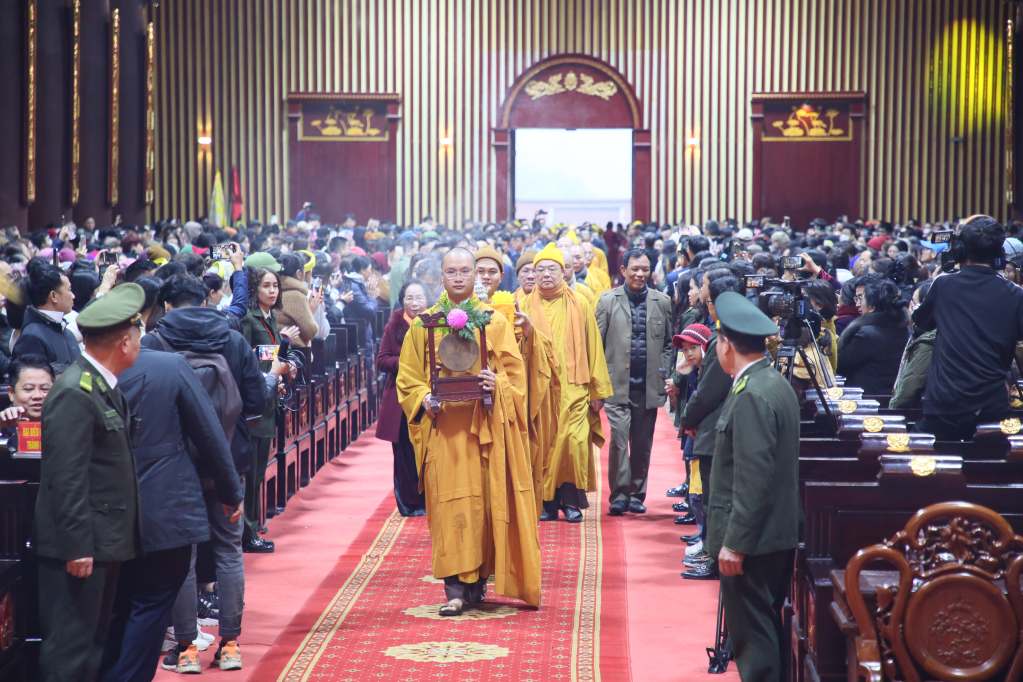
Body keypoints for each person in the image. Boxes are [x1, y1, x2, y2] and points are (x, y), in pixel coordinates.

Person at [396, 248, 540, 615]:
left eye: (465, 271)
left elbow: (516, 377)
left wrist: (497, 383)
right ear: (441, 277)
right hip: (444, 430)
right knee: (449, 505)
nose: (458, 277)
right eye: (451, 272)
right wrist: (425, 398)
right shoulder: (423, 325)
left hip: (484, 430)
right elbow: (408, 378)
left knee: (485, 504)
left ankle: (477, 582)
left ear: (475, 276)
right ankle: (455, 589)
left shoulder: (494, 322)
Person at [101, 343, 244, 682]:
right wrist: (230, 489)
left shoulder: (88, 371)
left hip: (114, 504)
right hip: (171, 494)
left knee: (119, 605)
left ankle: (185, 647)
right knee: (158, 596)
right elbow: (211, 432)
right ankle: (228, 643)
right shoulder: (174, 364)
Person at [35, 284, 146, 682]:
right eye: (137, 335)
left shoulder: (100, 385)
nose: (140, 343)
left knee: (91, 648)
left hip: (103, 540)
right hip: (82, 546)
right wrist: (78, 545)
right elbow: (65, 478)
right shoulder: (75, 391)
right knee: (70, 652)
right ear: (124, 343)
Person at [706, 291, 801, 682]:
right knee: (764, 624)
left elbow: (753, 477)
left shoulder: (752, 394)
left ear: (726, 345)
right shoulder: (771, 381)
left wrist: (735, 543)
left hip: (755, 541)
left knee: (754, 637)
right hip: (772, 533)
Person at [517, 244, 612, 522]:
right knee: (544, 444)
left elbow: (594, 347)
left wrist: (597, 391)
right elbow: (515, 348)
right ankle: (546, 503)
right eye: (540, 270)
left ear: (564, 272)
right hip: (539, 388)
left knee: (573, 442)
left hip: (574, 388)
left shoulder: (579, 303)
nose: (546, 274)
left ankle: (571, 502)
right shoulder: (524, 305)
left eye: (552, 269)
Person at [912, 216, 1023, 438]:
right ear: (999, 255)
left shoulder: (944, 284)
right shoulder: (1015, 294)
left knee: (916, 449)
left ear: (959, 251)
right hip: (992, 403)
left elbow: (921, 323)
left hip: (946, 403)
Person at [595, 249, 673, 515]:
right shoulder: (608, 300)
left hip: (648, 385)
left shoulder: (662, 301)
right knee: (618, 439)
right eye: (635, 269)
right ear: (623, 270)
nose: (640, 274)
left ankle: (637, 494)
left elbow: (668, 344)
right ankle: (619, 495)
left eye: (645, 269)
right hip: (616, 383)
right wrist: (597, 384)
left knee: (642, 443)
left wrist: (663, 372)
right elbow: (597, 344)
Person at [680, 275, 744, 578]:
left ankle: (712, 555)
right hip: (718, 424)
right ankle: (710, 549)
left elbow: (706, 394)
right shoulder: (733, 333)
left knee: (714, 499)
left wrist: (687, 421)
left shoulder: (726, 339)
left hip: (715, 427)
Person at [238, 264, 300, 552]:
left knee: (259, 472)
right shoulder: (248, 319)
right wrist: (272, 373)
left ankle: (252, 527)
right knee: (251, 473)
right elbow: (245, 361)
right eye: (266, 285)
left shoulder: (271, 317)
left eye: (275, 285)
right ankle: (247, 533)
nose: (272, 290)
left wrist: (286, 369)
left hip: (269, 397)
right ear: (254, 288)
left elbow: (273, 357)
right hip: (253, 401)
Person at [375, 280, 428, 516]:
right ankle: (410, 502)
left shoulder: (435, 323)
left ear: (427, 300)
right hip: (400, 397)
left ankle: (431, 498)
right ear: (402, 302)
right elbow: (382, 360)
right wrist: (409, 363)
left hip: (428, 394)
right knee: (405, 452)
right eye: (409, 298)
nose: (415, 303)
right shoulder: (394, 325)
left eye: (419, 298)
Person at [836, 276, 909, 395]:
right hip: (893, 395)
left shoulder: (866, 335)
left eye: (861, 299)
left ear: (871, 307)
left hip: (867, 397)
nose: (858, 304)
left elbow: (840, 366)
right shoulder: (904, 329)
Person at [13, 258, 81, 373]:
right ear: (53, 296)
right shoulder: (31, 338)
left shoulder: (65, 330)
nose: (73, 296)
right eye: (69, 290)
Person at [0, 354, 54, 448]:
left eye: (44, 389)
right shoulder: (3, 424)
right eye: (28, 389)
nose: (37, 396)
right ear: (11, 393)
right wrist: (3, 429)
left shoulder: (68, 425)